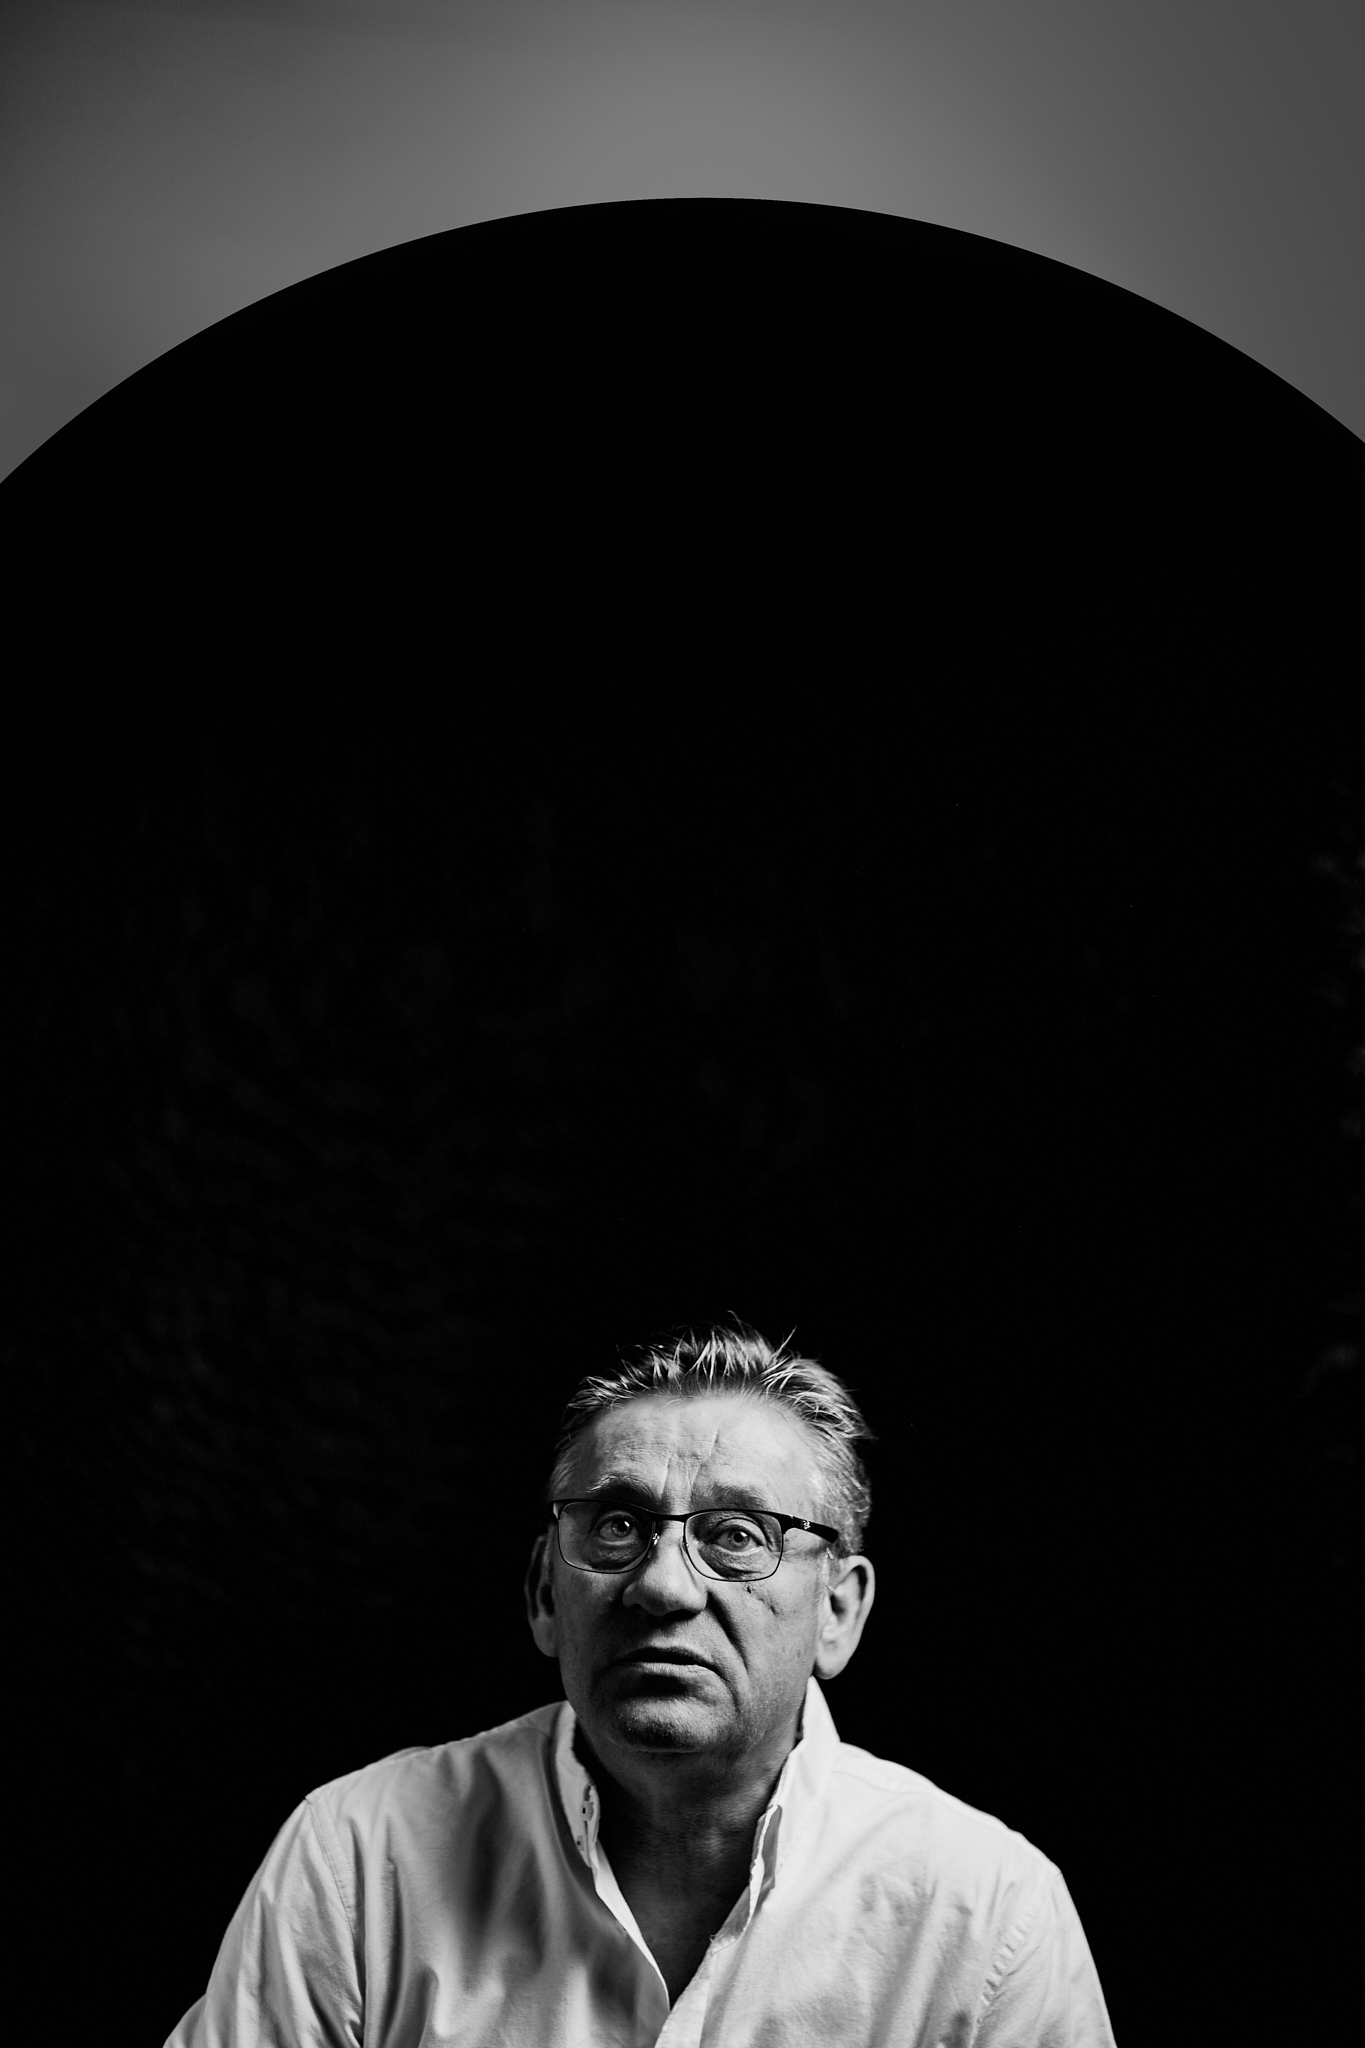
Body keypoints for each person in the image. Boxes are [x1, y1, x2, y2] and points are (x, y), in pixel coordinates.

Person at [165, 1320, 1117, 2046]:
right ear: (545, 1593)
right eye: (616, 1527)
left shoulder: (986, 1913)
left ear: (837, 1611)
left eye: (737, 1535)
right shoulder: (358, 1857)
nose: (662, 1586)